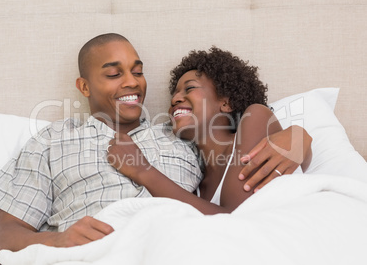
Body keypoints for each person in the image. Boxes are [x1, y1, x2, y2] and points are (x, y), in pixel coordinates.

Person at [0, 34, 310, 262]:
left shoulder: (182, 136)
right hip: (90, 252)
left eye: (138, 72)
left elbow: (234, 205)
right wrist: (58, 239)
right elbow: (4, 241)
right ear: (83, 86)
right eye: (114, 73)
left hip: (179, 249)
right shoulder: (51, 140)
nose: (132, 82)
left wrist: (299, 138)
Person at [107, 46, 312, 213]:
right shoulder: (196, 185)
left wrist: (142, 171)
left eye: (189, 88)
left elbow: (236, 218)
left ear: (226, 102)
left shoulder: (255, 117)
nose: (175, 98)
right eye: (175, 93)